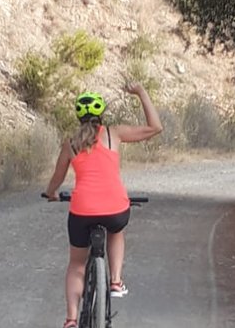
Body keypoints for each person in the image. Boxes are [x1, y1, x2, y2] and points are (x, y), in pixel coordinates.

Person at [42, 82, 162, 328]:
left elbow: (57, 178)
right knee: (116, 230)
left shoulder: (70, 144)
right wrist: (140, 92)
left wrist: (51, 193)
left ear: (78, 116)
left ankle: (71, 319)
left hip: (81, 210)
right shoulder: (113, 133)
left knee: (76, 263)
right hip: (115, 207)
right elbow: (155, 127)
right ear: (100, 115)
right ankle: (116, 281)